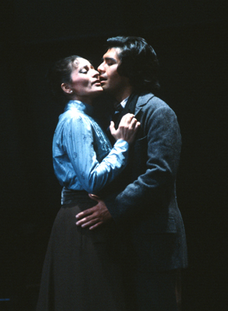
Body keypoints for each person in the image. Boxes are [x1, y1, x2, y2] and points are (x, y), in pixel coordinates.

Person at [75, 36, 188, 311]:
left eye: (109, 62)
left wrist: (111, 207)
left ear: (131, 70)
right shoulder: (118, 113)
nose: (100, 68)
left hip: (154, 241)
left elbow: (159, 174)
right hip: (129, 242)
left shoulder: (157, 111)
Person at [36, 55, 140, 311]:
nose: (94, 72)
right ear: (67, 87)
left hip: (86, 216)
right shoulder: (75, 120)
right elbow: (91, 179)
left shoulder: (83, 119)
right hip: (83, 219)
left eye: (93, 67)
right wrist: (123, 145)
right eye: (84, 70)